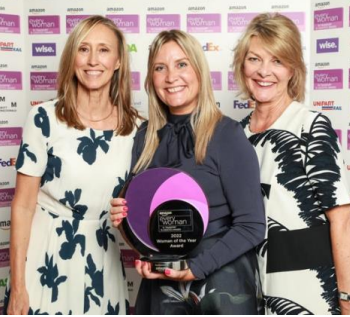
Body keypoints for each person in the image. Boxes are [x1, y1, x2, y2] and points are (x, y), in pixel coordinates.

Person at [110, 30, 266, 314]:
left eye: (181, 64)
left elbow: (252, 226)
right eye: (160, 68)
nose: (171, 77)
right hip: (164, 289)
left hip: (221, 288)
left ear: (199, 71)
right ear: (150, 78)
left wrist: (196, 268)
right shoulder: (145, 137)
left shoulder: (226, 134)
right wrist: (130, 231)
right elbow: (149, 225)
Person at [4, 15, 141, 315]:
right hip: (45, 259)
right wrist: (17, 287)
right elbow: (23, 206)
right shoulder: (44, 119)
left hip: (102, 261)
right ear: (72, 58)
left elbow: (142, 208)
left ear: (118, 61)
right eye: (83, 49)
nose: (93, 60)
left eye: (104, 50)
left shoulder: (136, 129)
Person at [232, 13, 350, 315]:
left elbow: (341, 220)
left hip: (305, 290)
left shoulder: (311, 127)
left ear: (293, 68)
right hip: (246, 288)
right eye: (255, 59)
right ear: (242, 64)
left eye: (277, 60)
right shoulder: (235, 135)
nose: (264, 71)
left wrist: (348, 301)